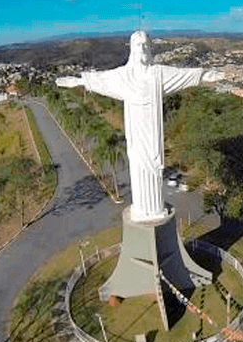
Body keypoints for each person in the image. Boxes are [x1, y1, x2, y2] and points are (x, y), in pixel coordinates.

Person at [57, 31, 222, 221]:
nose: (142, 49)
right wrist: (77, 82)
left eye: (145, 45)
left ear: (150, 49)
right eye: (138, 45)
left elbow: (184, 75)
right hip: (136, 136)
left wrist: (206, 75)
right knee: (138, 167)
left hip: (153, 137)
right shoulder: (123, 77)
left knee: (153, 167)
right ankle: (144, 209)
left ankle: (155, 208)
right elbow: (101, 80)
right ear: (132, 50)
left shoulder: (159, 74)